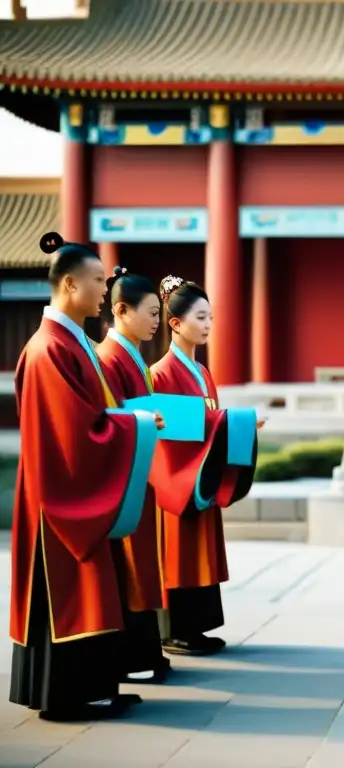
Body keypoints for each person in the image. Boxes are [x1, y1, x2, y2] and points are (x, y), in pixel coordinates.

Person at [9, 233, 160, 721]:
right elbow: (75, 433)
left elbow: (96, 419)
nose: (104, 291)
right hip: (59, 499)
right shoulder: (49, 348)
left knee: (97, 587)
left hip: (76, 490)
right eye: (97, 282)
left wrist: (127, 424)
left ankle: (94, 686)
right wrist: (134, 425)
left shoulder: (71, 344)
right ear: (70, 284)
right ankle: (66, 695)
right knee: (74, 592)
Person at [149, 275, 259, 657]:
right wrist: (230, 421)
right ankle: (176, 630)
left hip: (201, 474)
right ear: (175, 323)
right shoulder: (161, 372)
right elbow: (176, 427)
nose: (208, 325)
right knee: (180, 553)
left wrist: (233, 424)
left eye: (211, 317)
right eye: (200, 317)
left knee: (199, 552)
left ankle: (196, 627)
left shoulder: (202, 372)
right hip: (178, 477)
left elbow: (209, 421)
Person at [95, 267, 171, 683]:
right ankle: (134, 657)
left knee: (141, 564)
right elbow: (110, 417)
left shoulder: (132, 356)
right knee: (129, 565)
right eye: (151, 312)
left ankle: (146, 653)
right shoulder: (110, 358)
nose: (156, 321)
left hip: (139, 470)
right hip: (124, 477)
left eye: (159, 313)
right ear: (121, 312)